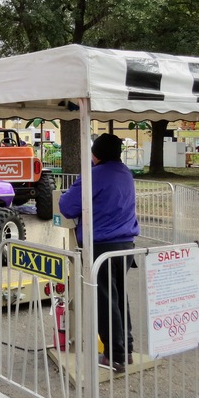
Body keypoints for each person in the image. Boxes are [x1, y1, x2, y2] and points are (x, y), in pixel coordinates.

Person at [58, 133, 139, 373]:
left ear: (96, 154)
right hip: (126, 245)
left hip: (101, 246)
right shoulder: (126, 173)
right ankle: (127, 348)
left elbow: (66, 205)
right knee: (119, 297)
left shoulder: (93, 176)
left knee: (104, 300)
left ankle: (114, 356)